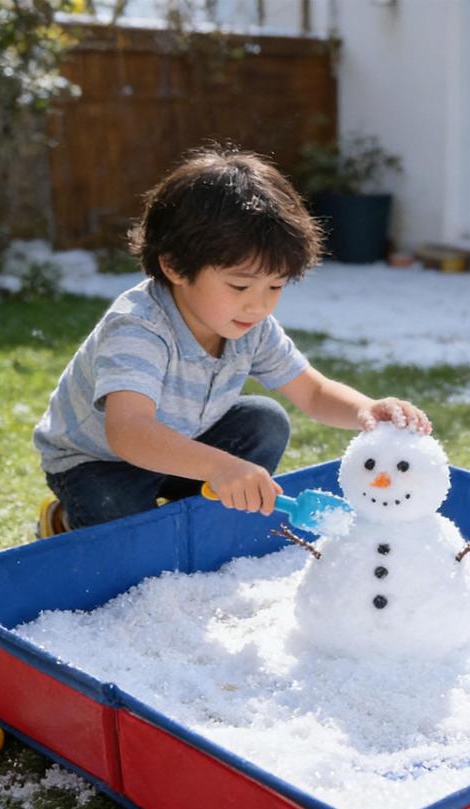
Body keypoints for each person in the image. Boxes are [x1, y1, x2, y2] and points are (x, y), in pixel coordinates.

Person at [34, 148, 429, 536]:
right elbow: (130, 432)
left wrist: (368, 410)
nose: (258, 304)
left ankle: (202, 520)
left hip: (184, 445)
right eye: (240, 284)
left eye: (275, 285)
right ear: (174, 266)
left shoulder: (251, 325)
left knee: (263, 421)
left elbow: (313, 392)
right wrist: (220, 467)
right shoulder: (138, 328)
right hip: (97, 461)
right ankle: (64, 519)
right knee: (119, 518)